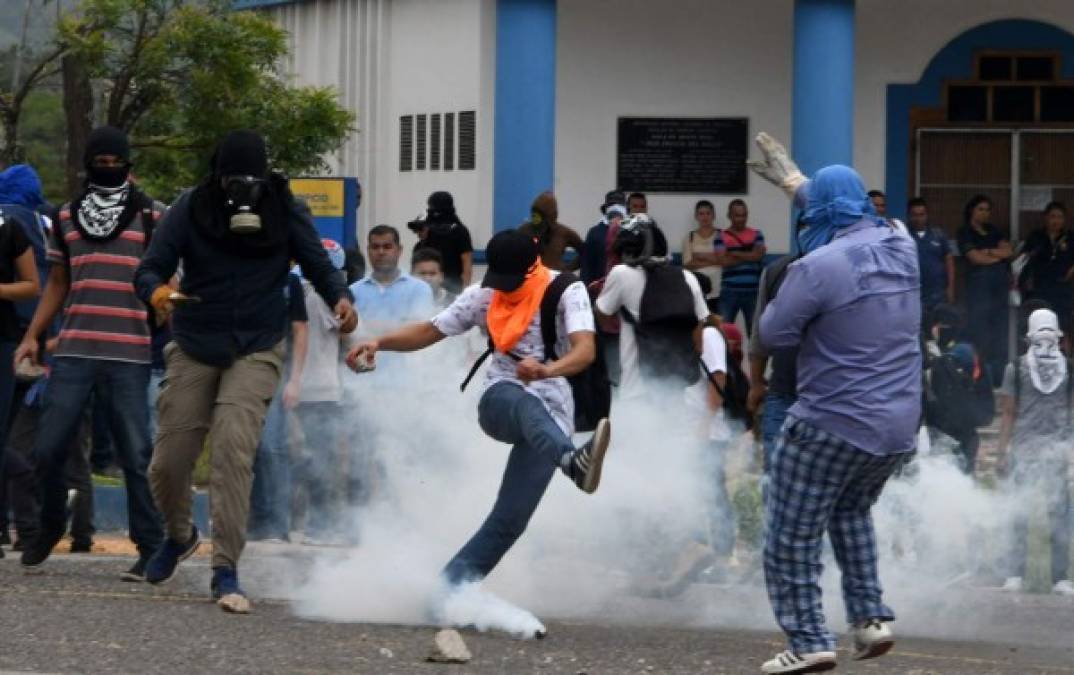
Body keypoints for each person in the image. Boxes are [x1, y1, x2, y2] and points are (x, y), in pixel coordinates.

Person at [133, 130, 357, 613]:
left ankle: (226, 568)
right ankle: (179, 535)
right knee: (169, 460)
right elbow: (149, 268)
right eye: (235, 182)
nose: (244, 192)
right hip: (194, 339)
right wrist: (156, 293)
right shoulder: (190, 206)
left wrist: (342, 297)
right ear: (217, 177)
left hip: (256, 344)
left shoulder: (284, 207)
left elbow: (319, 264)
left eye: (252, 181)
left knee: (234, 450)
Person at [345, 230, 611, 626]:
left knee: (510, 520)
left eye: (511, 282)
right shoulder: (483, 294)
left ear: (532, 267)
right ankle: (572, 462)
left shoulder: (565, 290)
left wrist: (547, 369)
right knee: (520, 400)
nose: (502, 290)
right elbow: (429, 330)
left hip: (554, 413)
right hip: (500, 400)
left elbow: (585, 349)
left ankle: (445, 593)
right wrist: (378, 344)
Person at [750, 132, 920, 673]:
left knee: (788, 535)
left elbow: (773, 335)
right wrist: (797, 183)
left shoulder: (816, 268)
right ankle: (871, 620)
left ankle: (808, 639)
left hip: (831, 421)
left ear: (817, 213)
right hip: (896, 429)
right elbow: (843, 210)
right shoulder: (902, 243)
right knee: (851, 512)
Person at [15, 126, 164, 579]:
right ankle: (50, 525)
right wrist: (33, 336)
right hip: (75, 349)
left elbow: (167, 278)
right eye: (98, 163)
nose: (107, 169)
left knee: (135, 454)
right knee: (47, 446)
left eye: (113, 162)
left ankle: (150, 545)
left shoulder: (153, 215)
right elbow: (58, 282)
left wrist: (170, 310)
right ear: (86, 165)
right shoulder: (65, 217)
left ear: (128, 165)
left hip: (130, 352)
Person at [996, 308, 1074, 597]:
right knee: (1018, 512)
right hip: (1024, 449)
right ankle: (1015, 573)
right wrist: (1002, 452)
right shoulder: (1015, 369)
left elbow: (1070, 411)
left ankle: (1059, 578)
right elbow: (1008, 412)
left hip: (1055, 450)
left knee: (1058, 515)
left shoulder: (1069, 369)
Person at [594, 215, 709, 399]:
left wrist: (602, 292)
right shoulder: (688, 277)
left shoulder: (621, 274)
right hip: (681, 388)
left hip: (637, 391)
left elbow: (602, 316)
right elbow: (699, 342)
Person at [294, 238, 356, 544]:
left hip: (302, 388)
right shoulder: (321, 297)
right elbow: (348, 337)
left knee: (308, 458)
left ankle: (306, 524)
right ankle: (319, 526)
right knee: (322, 460)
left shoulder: (295, 291)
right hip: (320, 389)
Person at [0, 165, 44, 560]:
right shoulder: (35, 220)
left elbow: (34, 284)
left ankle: (31, 526)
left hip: (13, 339)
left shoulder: (10, 226)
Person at [247, 269, 309, 542]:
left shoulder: (289, 282)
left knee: (273, 447)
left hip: (276, 370)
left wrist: (295, 380)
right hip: (240, 366)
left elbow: (300, 328)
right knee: (252, 448)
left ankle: (276, 524)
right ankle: (259, 522)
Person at [923, 304, 991, 475]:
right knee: (965, 479)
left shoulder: (934, 356)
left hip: (941, 431)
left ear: (939, 327)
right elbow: (984, 390)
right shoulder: (972, 354)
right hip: (968, 430)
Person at [957, 194, 1012, 386]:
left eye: (988, 209)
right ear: (972, 210)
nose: (985, 213)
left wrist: (988, 252)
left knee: (999, 331)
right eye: (980, 208)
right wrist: (995, 257)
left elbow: (1008, 252)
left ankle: (999, 377)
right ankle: (980, 376)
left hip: (998, 288)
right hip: (978, 289)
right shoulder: (965, 232)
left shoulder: (994, 231)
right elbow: (974, 258)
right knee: (980, 332)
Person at [1020, 202, 1074, 337]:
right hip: (1040, 287)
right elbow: (1024, 258)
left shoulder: (1071, 237)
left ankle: (1064, 357)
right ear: (1046, 218)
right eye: (1053, 216)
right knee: (1039, 324)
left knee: (1064, 326)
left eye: (1060, 217)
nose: (1056, 220)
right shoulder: (1036, 236)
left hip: (1063, 288)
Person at [716, 199, 765, 334]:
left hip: (753, 292)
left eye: (744, 215)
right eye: (737, 215)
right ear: (729, 216)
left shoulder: (757, 234)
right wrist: (749, 255)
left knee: (755, 334)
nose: (741, 219)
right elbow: (724, 262)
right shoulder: (721, 236)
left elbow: (758, 257)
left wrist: (734, 252)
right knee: (724, 334)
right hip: (729, 292)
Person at [411, 191, 473, 294]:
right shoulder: (459, 230)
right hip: (428, 288)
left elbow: (467, 264)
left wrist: (464, 292)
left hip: (452, 290)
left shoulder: (458, 231)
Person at [908, 197, 955, 323]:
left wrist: (950, 287)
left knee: (937, 329)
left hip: (937, 293)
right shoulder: (903, 236)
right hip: (912, 293)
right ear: (909, 216)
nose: (918, 219)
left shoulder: (938, 235)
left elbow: (949, 261)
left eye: (922, 215)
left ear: (927, 215)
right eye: (914, 215)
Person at [517, 191, 584, 272]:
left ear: (550, 217)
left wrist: (567, 270)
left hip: (555, 281)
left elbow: (585, 252)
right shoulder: (524, 230)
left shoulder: (564, 233)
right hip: (531, 280)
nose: (535, 220)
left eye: (539, 216)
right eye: (534, 215)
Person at [682, 200, 723, 314]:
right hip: (698, 290)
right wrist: (714, 259)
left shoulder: (722, 236)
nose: (705, 217)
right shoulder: (690, 238)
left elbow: (725, 260)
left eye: (708, 213)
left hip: (719, 290)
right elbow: (687, 264)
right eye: (701, 213)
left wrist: (700, 256)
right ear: (696, 216)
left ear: (713, 215)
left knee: (719, 325)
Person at [580, 190, 625, 286]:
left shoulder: (631, 232)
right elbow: (587, 267)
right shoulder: (595, 233)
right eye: (613, 205)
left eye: (619, 205)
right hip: (600, 289)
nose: (616, 209)